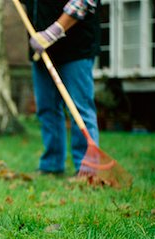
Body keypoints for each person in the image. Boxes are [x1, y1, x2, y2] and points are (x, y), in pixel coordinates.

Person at [21, 0, 101, 175]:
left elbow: (84, 2)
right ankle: (52, 165)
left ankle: (88, 169)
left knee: (79, 110)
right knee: (47, 109)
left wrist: (53, 32)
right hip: (42, 50)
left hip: (75, 46)